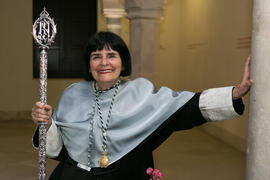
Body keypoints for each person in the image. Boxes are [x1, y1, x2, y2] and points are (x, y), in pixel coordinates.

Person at [31, 31, 253, 180]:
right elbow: (56, 148)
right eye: (96, 56)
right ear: (89, 65)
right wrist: (47, 123)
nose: (104, 62)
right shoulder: (72, 94)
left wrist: (235, 92)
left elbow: (187, 106)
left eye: (112, 55)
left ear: (123, 62)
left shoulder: (141, 92)